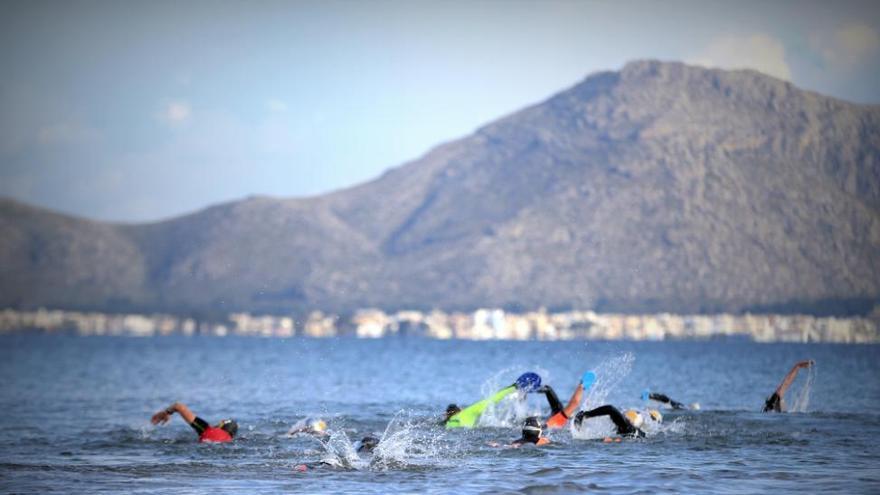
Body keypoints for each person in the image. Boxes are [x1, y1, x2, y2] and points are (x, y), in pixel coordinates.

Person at [444, 372, 542, 429]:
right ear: (460, 410)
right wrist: (514, 386)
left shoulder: (448, 424)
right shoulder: (467, 412)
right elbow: (492, 399)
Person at [150, 402, 238, 443]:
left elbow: (179, 406)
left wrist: (166, 412)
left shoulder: (207, 429)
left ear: (219, 426)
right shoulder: (231, 441)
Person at [574, 405, 646, 438]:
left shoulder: (626, 427)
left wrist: (586, 414)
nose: (623, 417)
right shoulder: (640, 434)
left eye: (625, 417)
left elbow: (610, 409)